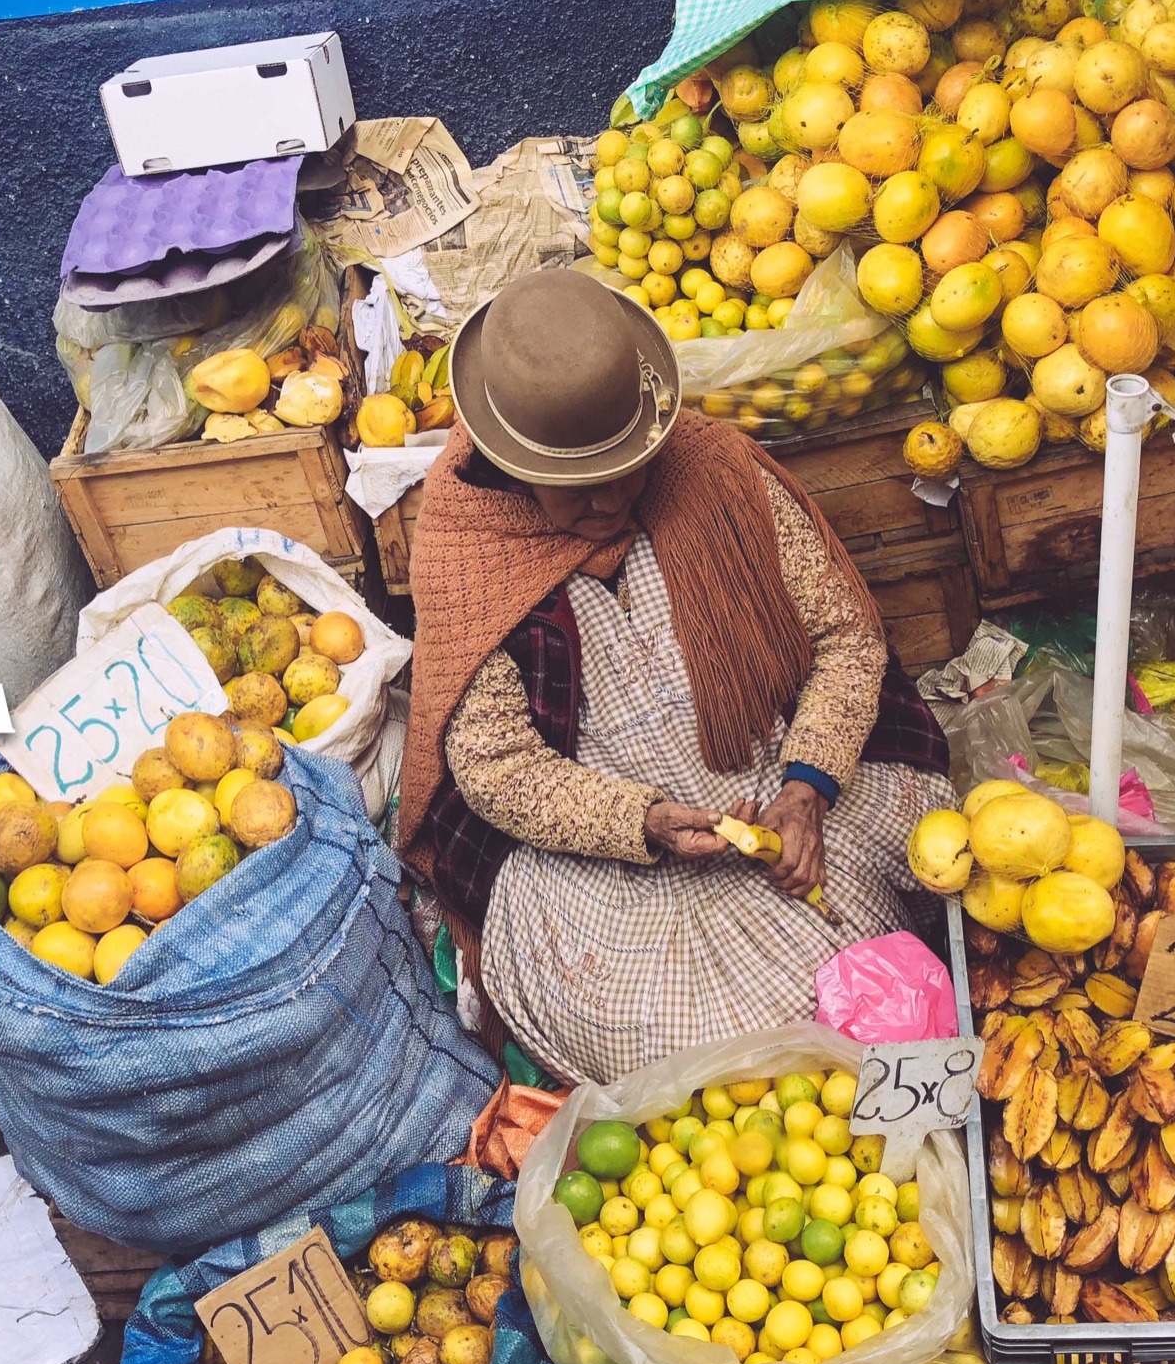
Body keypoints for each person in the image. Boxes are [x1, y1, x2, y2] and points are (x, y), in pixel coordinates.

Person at [395, 268, 952, 1085]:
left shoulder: (718, 472)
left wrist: (807, 789)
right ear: (514, 468)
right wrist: (643, 820)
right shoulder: (467, 546)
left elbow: (845, 638)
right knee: (693, 1049)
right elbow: (496, 768)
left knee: (911, 925)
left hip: (778, 775)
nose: (611, 500)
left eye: (631, 466)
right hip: (602, 844)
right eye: (577, 488)